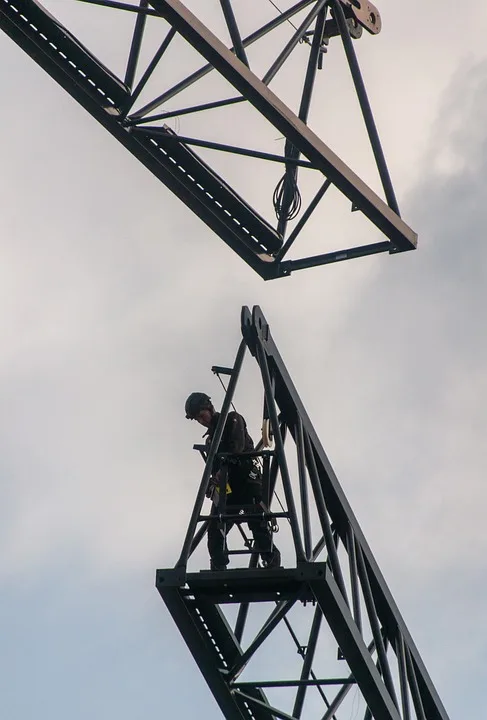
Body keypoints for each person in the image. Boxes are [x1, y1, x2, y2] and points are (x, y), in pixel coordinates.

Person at [185, 392, 281, 571]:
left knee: (257, 521)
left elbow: (235, 448)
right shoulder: (211, 439)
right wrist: (212, 482)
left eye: (201, 415)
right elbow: (212, 468)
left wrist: (223, 469)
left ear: (209, 408)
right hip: (229, 489)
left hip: (247, 481)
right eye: (197, 419)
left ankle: (271, 559)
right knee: (215, 527)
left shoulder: (232, 420)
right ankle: (219, 565)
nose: (201, 420)